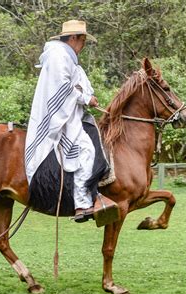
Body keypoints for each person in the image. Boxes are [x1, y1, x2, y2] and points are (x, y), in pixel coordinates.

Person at [25, 20, 117, 223]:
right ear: (74, 38)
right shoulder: (59, 56)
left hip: (71, 114)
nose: (83, 45)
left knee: (92, 138)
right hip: (60, 117)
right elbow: (63, 87)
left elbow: (72, 85)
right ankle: (82, 203)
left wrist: (87, 97)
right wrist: (86, 98)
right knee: (85, 150)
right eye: (83, 40)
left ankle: (93, 195)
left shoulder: (67, 58)